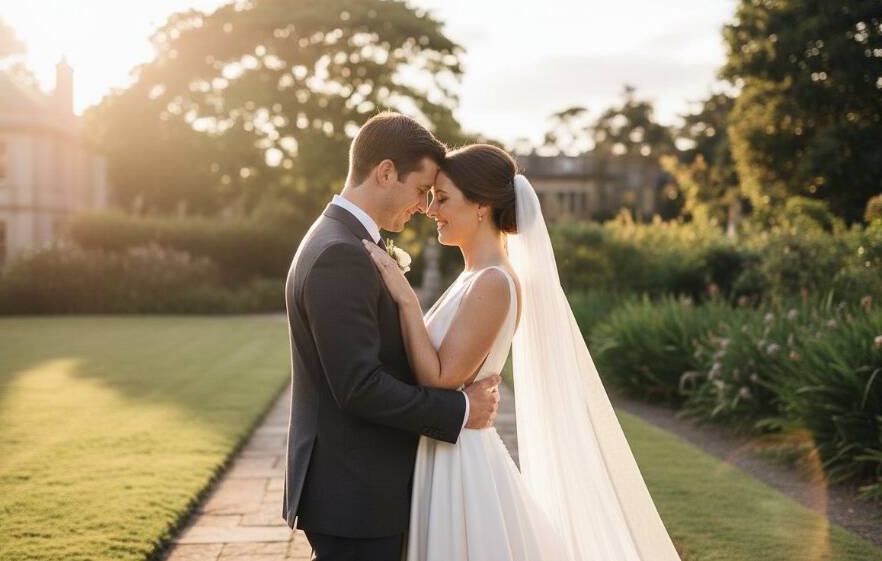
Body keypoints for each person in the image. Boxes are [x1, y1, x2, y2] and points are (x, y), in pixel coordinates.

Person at [363, 143, 682, 561]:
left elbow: (439, 379)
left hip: (460, 463)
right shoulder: (473, 275)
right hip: (443, 448)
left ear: (481, 206)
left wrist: (405, 300)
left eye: (442, 199)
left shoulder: (494, 281)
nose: (430, 209)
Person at [281, 114, 502, 561]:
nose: (425, 206)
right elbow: (359, 387)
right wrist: (460, 409)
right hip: (354, 492)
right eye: (422, 190)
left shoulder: (346, 239)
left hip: (357, 486)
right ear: (385, 172)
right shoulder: (340, 253)